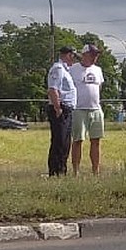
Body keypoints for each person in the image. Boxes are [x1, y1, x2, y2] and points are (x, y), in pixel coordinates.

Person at [69, 42, 105, 175]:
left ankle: (96, 171)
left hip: (95, 109)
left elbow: (99, 87)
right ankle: (76, 171)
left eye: (96, 55)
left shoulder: (98, 70)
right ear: (85, 55)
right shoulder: (73, 69)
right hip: (79, 109)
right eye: (93, 55)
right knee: (78, 140)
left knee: (96, 141)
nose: (95, 57)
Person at [45, 46, 77, 177]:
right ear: (68, 55)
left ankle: (62, 169)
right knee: (59, 141)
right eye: (73, 56)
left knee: (65, 142)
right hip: (60, 108)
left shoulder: (66, 70)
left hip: (67, 109)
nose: (74, 59)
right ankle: (55, 171)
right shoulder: (58, 69)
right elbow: (53, 89)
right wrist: (58, 108)